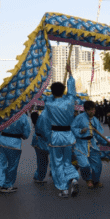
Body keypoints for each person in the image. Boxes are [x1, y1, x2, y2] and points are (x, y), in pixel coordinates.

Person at [37, 65, 80, 198]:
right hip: (68, 136)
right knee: (67, 161)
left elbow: (42, 95)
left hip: (55, 137)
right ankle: (73, 178)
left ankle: (63, 189)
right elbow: (72, 92)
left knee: (57, 163)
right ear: (63, 91)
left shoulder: (49, 104)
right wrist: (70, 74)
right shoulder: (70, 101)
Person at [72, 101, 110, 188]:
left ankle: (96, 180)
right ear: (86, 110)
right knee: (84, 165)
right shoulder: (79, 118)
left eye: (94, 109)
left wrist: (107, 142)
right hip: (80, 145)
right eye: (90, 110)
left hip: (92, 144)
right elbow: (73, 128)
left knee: (97, 164)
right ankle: (88, 179)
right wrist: (80, 131)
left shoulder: (95, 120)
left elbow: (99, 134)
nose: (93, 111)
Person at [0, 113, 31, 197]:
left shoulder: (5, 112)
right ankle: (7, 185)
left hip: (1, 142)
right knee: (12, 165)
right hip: (14, 144)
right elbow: (26, 133)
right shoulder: (22, 116)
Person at [31, 111, 50, 183]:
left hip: (38, 141)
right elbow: (45, 132)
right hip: (42, 142)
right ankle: (39, 177)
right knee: (43, 161)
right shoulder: (44, 117)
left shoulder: (42, 116)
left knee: (42, 160)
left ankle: (38, 176)